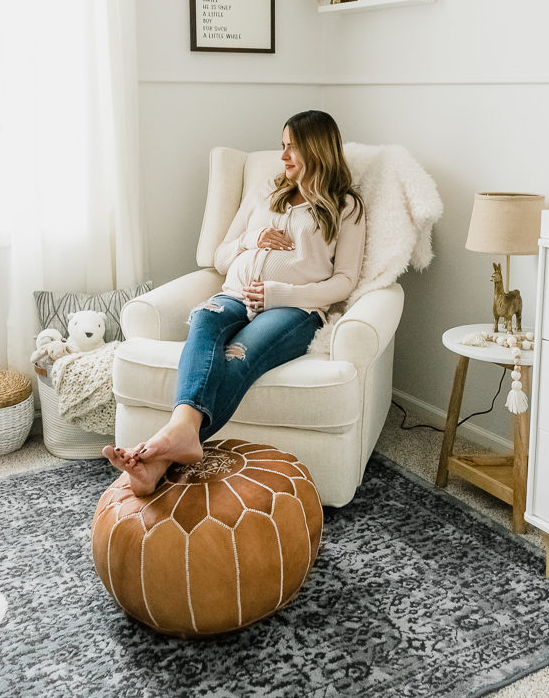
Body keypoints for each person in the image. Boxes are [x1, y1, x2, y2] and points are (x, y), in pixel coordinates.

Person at [104, 110, 366, 496]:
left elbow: (345, 282)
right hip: (234, 296)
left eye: (292, 147)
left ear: (317, 149)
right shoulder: (267, 192)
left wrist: (282, 294)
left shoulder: (346, 207)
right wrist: (252, 238)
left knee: (236, 356)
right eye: (283, 147)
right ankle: (177, 438)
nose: (284, 156)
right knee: (204, 320)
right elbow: (221, 255)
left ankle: (157, 458)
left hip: (293, 311)